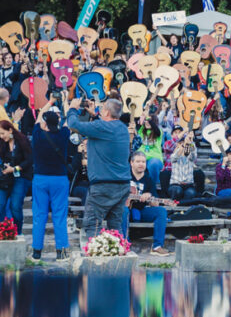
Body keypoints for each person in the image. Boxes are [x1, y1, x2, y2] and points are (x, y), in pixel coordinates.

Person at [67, 97, 131, 245]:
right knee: (115, 226)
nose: (100, 111)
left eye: (102, 109)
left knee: (92, 224)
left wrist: (72, 108)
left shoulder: (101, 127)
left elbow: (73, 125)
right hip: (122, 185)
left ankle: (96, 261)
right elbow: (104, 128)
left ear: (107, 112)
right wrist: (95, 115)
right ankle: (119, 255)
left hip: (104, 185)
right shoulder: (122, 127)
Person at [30, 106, 70, 260]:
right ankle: (61, 251)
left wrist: (50, 101)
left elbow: (38, 116)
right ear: (58, 122)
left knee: (39, 215)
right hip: (59, 179)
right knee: (60, 215)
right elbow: (68, 119)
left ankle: (36, 251)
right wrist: (66, 102)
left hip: (40, 178)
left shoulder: (38, 135)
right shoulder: (63, 135)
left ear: (45, 123)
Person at [121, 151, 170, 256]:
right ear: (131, 163)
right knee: (123, 210)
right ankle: (125, 244)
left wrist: (149, 197)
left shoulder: (148, 180)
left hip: (141, 211)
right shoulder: (124, 176)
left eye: (143, 161)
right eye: (138, 161)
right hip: (125, 210)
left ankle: (157, 246)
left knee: (161, 211)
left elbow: (155, 204)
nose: (141, 164)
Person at [0, 119, 32, 232]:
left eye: (3, 133)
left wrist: (14, 169)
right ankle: (2, 231)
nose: (1, 136)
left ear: (10, 130)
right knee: (1, 204)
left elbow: (29, 160)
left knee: (15, 206)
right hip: (5, 178)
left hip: (21, 176)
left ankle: (18, 232)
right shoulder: (2, 142)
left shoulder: (22, 140)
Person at [167, 130, 198, 201]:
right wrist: (184, 145)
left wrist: (191, 143)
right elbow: (175, 157)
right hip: (175, 185)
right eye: (180, 143)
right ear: (177, 145)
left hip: (188, 185)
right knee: (177, 191)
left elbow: (194, 155)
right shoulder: (173, 155)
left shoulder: (190, 157)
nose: (183, 144)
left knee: (190, 193)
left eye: (184, 143)